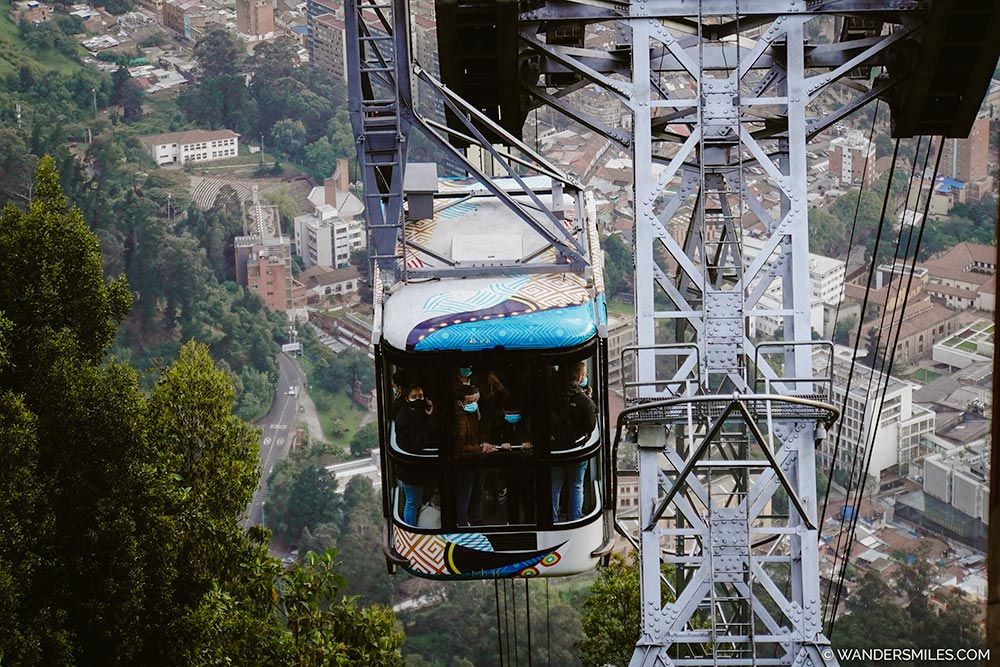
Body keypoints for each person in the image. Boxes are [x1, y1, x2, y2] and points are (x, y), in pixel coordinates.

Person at [550, 361, 597, 523]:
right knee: (576, 486)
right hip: (577, 449)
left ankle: (552, 519)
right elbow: (590, 425)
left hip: (554, 449)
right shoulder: (584, 401)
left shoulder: (551, 395)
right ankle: (575, 517)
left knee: (554, 487)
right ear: (580, 377)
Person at [393, 383, 436, 526]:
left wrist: (430, 416)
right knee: (412, 503)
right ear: (406, 398)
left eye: (421, 396)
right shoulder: (403, 418)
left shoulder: (422, 413)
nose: (419, 399)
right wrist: (428, 421)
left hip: (425, 469)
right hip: (411, 470)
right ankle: (411, 532)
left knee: (421, 501)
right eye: (414, 397)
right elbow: (418, 443)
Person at [454, 384, 495, 526]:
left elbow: (479, 431)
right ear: (460, 403)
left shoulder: (472, 415)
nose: (473, 405)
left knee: (477, 492)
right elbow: (459, 446)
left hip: (476, 460)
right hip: (467, 463)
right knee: (465, 495)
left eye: (474, 401)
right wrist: (480, 448)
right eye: (469, 402)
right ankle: (463, 523)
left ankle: (474, 520)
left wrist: (483, 443)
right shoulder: (460, 419)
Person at [495, 401, 534, 523]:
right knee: (512, 495)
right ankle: (512, 521)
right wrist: (501, 444)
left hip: (526, 463)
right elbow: (493, 439)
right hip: (510, 464)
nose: (513, 416)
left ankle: (530, 521)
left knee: (528, 495)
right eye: (509, 413)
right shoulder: (499, 424)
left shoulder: (527, 423)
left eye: (515, 413)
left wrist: (530, 443)